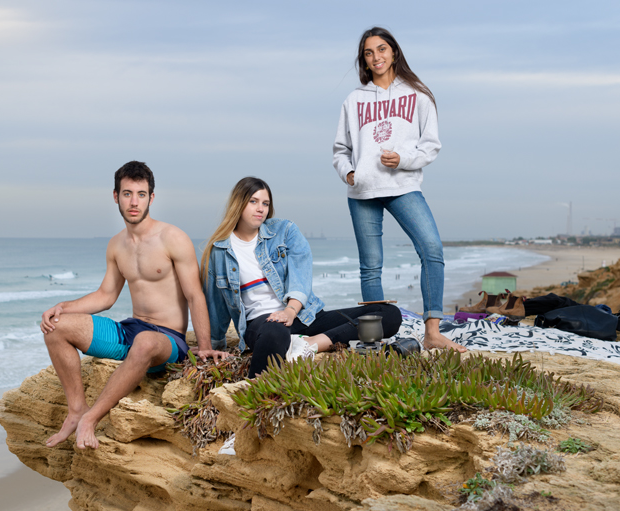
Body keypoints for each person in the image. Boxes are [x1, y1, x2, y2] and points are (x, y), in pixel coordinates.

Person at [40, 161, 228, 449]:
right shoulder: (116, 245)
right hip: (130, 330)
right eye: (127, 194)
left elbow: (195, 295)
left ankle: (91, 418)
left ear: (152, 198)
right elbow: (106, 295)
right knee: (55, 328)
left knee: (144, 342)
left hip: (166, 340)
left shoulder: (172, 238)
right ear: (115, 196)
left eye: (141, 194)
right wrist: (62, 308)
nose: (134, 202)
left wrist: (203, 346)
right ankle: (76, 409)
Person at [332, 26, 466, 352]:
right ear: (363, 60)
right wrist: (349, 172)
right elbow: (340, 149)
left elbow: (431, 146)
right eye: (368, 52)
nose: (376, 57)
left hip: (403, 185)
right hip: (363, 191)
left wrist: (403, 159)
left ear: (393, 51)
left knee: (432, 248)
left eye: (381, 49)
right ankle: (374, 340)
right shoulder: (354, 100)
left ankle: (432, 332)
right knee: (371, 265)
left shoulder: (418, 95)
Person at [201, 177, 402, 377]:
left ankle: (310, 344)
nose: (260, 208)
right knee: (276, 332)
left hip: (303, 315)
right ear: (238, 203)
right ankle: (254, 388)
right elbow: (216, 305)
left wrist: (290, 311)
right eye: (253, 201)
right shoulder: (220, 251)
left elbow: (301, 276)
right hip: (263, 324)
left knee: (388, 313)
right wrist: (213, 345)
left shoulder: (285, 231)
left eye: (265, 203)